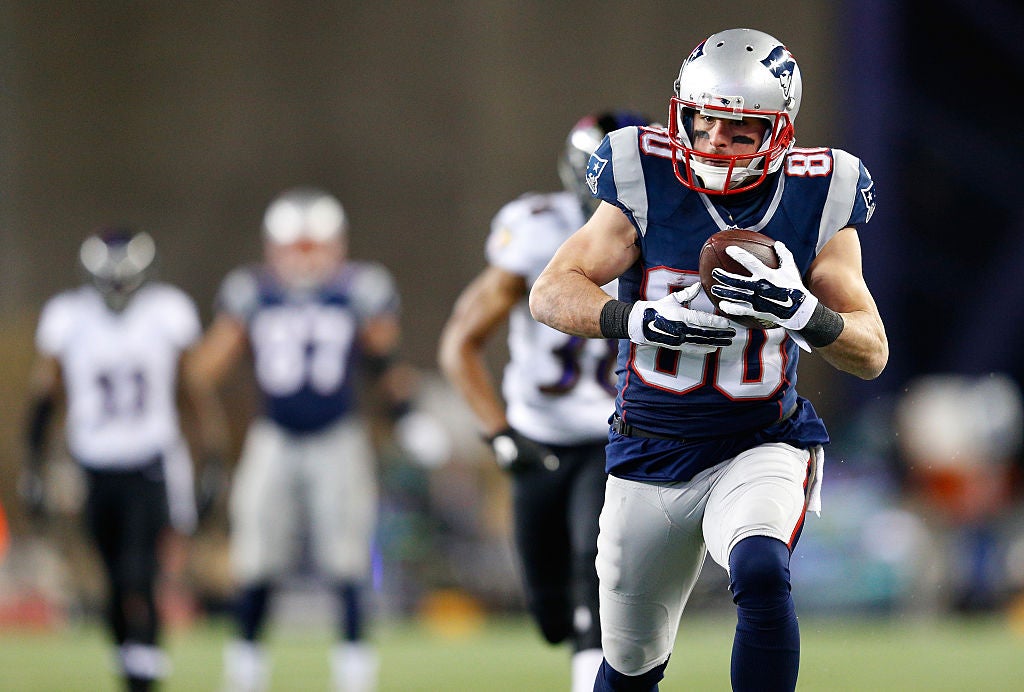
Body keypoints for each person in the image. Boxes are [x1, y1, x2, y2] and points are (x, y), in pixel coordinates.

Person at [529, 28, 888, 692]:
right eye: (703, 120)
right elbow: (551, 293)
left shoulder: (820, 194)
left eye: (738, 131)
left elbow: (870, 352)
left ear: (778, 134)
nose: (714, 142)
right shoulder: (643, 174)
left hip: (759, 440)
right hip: (649, 451)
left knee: (759, 570)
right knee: (632, 665)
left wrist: (803, 311)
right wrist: (638, 318)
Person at [439, 111, 649, 692]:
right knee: (551, 614)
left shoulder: (671, 237)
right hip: (540, 435)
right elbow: (460, 342)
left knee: (594, 569)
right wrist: (500, 433)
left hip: (617, 434)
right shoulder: (535, 231)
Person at [189, 186, 421, 692]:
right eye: (297, 246)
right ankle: (246, 664)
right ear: (275, 247)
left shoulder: (360, 288)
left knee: (348, 557)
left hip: (339, 434)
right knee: (255, 554)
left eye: (313, 246)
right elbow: (208, 367)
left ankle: (354, 667)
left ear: (335, 244)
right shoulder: (251, 291)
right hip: (273, 434)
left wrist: (406, 415)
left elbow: (385, 360)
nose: (305, 257)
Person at [20, 227, 227, 692]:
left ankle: (144, 677)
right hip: (92, 464)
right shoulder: (67, 317)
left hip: (150, 461)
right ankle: (133, 666)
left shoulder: (166, 313)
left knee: (140, 570)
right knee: (110, 582)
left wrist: (213, 457)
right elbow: (45, 396)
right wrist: (32, 464)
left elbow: (193, 393)